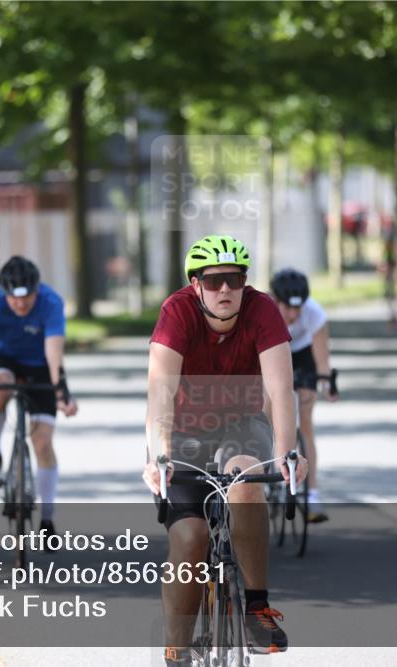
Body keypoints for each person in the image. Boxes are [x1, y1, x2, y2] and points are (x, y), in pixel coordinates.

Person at [142, 235, 307, 666]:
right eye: (214, 281)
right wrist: (159, 455)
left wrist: (288, 454)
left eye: (234, 280)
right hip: (182, 433)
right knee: (190, 538)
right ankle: (176, 648)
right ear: (195, 284)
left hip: (241, 425)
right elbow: (160, 393)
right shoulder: (176, 312)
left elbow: (281, 389)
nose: (225, 290)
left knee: (247, 479)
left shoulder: (262, 310)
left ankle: (256, 607)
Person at [0, 256, 79, 536]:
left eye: (27, 297)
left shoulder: (51, 303)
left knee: (42, 443)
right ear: (4, 293)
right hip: (5, 360)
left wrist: (62, 393)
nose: (21, 304)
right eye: (14, 298)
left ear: (37, 290)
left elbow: (54, 353)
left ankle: (47, 519)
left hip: (40, 365)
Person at [269, 268, 338, 524]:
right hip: (272, 350)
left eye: (298, 309)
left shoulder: (314, 314)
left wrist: (326, 383)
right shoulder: (263, 311)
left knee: (305, 420)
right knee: (267, 408)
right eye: (287, 308)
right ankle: (265, 471)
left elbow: (322, 360)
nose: (293, 315)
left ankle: (312, 495)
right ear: (275, 300)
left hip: (302, 355)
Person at [379, 228, 397, 329]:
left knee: (391, 295)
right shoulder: (386, 250)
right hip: (388, 276)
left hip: (390, 275)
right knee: (389, 295)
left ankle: (393, 315)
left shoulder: (391, 250)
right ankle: (392, 315)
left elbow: (394, 263)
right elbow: (382, 263)